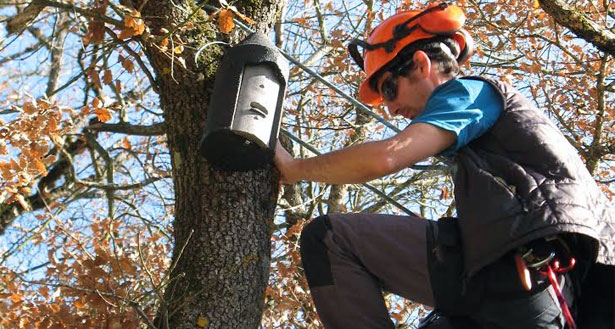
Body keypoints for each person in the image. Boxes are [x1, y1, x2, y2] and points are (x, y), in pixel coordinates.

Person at [273, 2, 615, 329]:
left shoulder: (472, 93)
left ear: (422, 64)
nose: (390, 108)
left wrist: (293, 168)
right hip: (522, 300)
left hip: (519, 277)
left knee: (332, 239)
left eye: (390, 89)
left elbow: (387, 155)